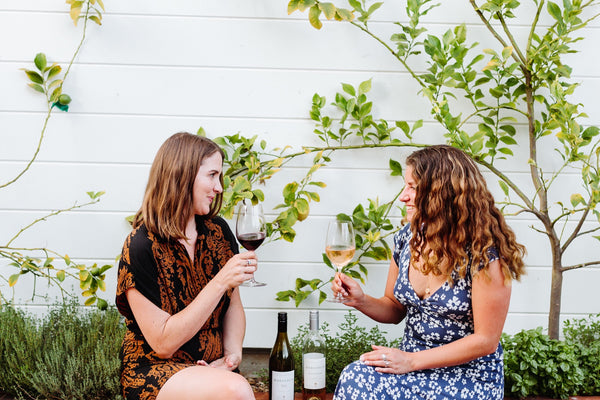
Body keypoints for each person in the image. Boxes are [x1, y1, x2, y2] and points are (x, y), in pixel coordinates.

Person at [331, 145, 526, 400]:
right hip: (410, 366)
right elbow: (394, 308)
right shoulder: (406, 240)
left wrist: (411, 361)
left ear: (441, 192)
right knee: (355, 377)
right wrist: (360, 300)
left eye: (412, 187)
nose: (403, 196)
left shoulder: (484, 252)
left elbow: (485, 340)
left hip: (467, 377)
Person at [115, 132, 257, 400]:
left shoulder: (219, 232)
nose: (219, 188)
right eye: (212, 175)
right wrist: (219, 281)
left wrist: (231, 356)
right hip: (155, 369)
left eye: (219, 177)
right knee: (236, 390)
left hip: (212, 366)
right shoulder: (141, 246)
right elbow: (163, 343)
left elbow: (233, 306)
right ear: (183, 175)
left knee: (232, 384)